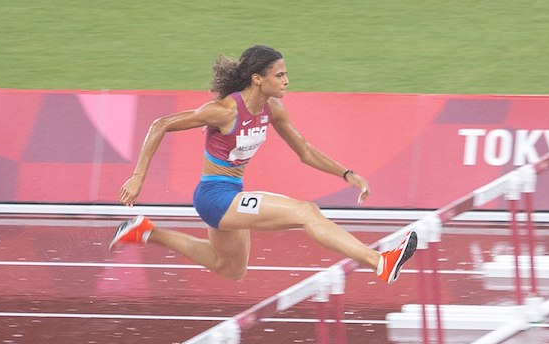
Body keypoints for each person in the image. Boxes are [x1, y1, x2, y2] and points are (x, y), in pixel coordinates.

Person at [109, 45, 416, 283]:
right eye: (279, 75)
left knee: (230, 269)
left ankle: (145, 232)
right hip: (215, 197)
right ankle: (380, 263)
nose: (287, 81)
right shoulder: (224, 111)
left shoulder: (273, 109)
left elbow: (305, 150)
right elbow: (160, 124)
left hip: (233, 195)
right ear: (257, 78)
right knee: (307, 212)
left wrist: (348, 174)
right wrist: (138, 177)